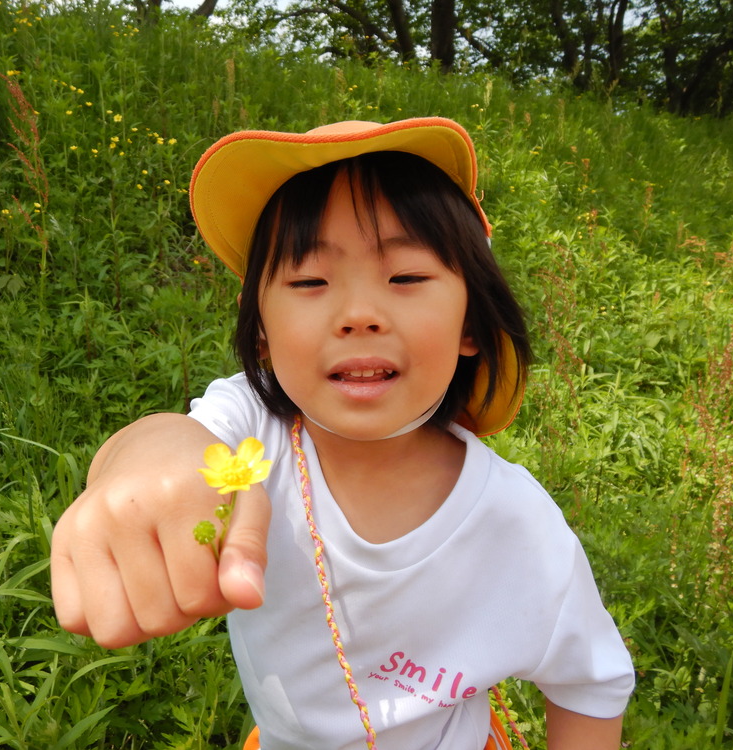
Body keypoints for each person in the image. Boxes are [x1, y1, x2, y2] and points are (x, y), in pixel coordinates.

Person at [50, 117, 635, 750]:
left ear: (472, 323)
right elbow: (165, 441)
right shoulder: (256, 435)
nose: (359, 314)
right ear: (263, 331)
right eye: (309, 282)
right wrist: (144, 470)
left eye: (406, 277)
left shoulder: (517, 521)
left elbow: (590, 682)